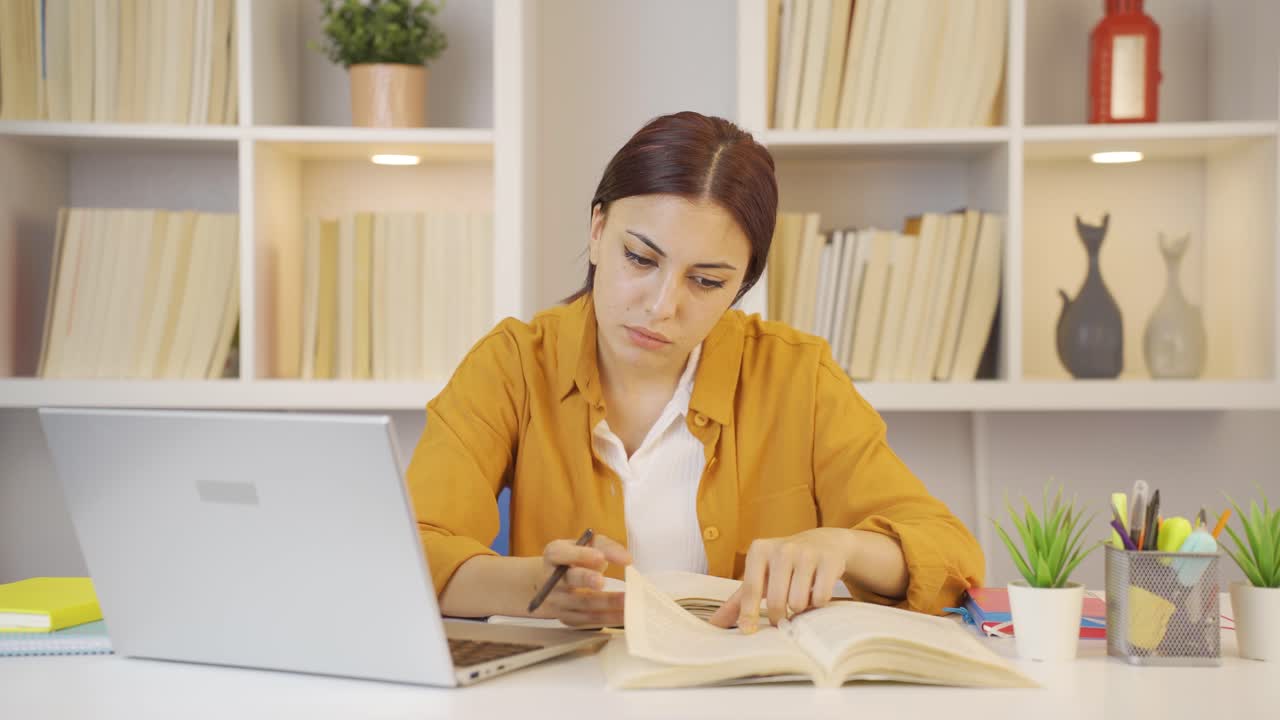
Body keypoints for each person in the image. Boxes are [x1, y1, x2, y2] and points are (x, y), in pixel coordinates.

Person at [405, 111, 983, 633]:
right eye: (640, 258)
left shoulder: (796, 375)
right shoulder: (512, 363)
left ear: (741, 285)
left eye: (706, 282)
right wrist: (538, 589)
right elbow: (409, 549)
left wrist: (843, 546)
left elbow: (951, 554)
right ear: (598, 230)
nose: (662, 306)